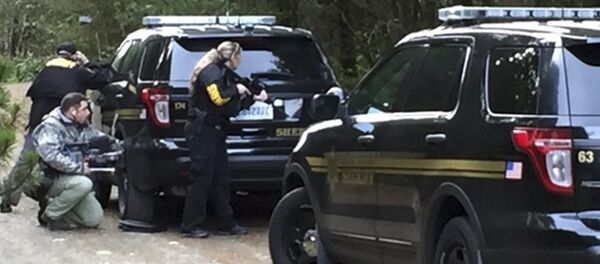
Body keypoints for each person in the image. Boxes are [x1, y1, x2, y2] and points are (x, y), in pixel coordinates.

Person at [0, 41, 108, 213]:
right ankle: (80, 203)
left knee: (25, 162)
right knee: (80, 158)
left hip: (38, 122)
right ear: (74, 55)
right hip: (66, 127)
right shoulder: (78, 71)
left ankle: (6, 199)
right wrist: (88, 63)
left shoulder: (45, 71)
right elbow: (102, 79)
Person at [181, 41, 268, 238]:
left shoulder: (225, 73)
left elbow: (230, 107)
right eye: (240, 57)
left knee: (221, 179)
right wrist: (237, 90)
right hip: (202, 131)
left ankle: (225, 223)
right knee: (201, 178)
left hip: (216, 131)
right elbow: (219, 98)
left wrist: (253, 96)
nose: (240, 61)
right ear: (233, 57)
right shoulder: (211, 71)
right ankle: (191, 225)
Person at [33, 92, 114, 230]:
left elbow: (100, 138)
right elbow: (51, 156)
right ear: (73, 111)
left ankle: (51, 207)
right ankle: (52, 214)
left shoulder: (80, 126)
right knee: (84, 184)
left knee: (93, 219)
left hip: (70, 180)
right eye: (84, 109)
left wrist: (122, 145)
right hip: (47, 179)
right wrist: (79, 168)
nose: (88, 113)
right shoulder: (50, 126)